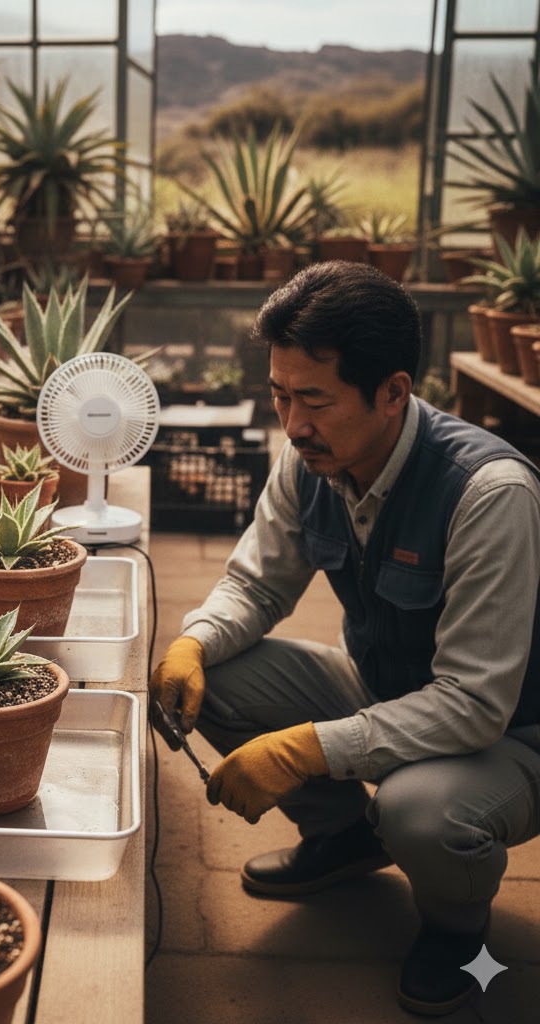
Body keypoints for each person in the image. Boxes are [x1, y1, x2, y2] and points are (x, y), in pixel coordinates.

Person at [148, 260, 540, 1018]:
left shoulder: (489, 494)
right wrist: (193, 641)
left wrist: (302, 749)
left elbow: (471, 706)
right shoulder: (312, 461)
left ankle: (458, 933)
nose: (293, 424)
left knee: (421, 812)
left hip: (511, 733)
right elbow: (256, 586)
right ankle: (343, 841)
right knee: (218, 676)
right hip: (390, 689)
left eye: (316, 401)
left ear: (393, 392)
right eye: (280, 395)